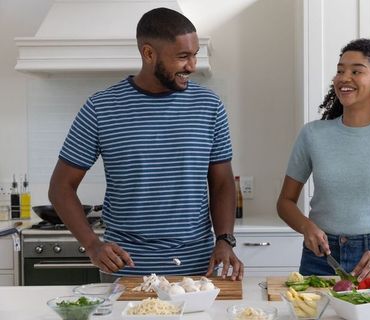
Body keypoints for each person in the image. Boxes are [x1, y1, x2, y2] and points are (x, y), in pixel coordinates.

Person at [48, 7, 243, 281]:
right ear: (149, 54)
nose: (192, 66)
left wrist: (225, 239)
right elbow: (60, 187)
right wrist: (92, 244)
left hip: (197, 267)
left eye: (195, 54)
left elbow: (222, 182)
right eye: (183, 56)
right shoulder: (101, 107)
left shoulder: (209, 106)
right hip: (126, 270)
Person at [277, 38, 370, 282]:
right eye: (340, 71)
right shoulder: (313, 134)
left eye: (356, 71)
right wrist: (307, 227)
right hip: (320, 256)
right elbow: (285, 202)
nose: (344, 78)